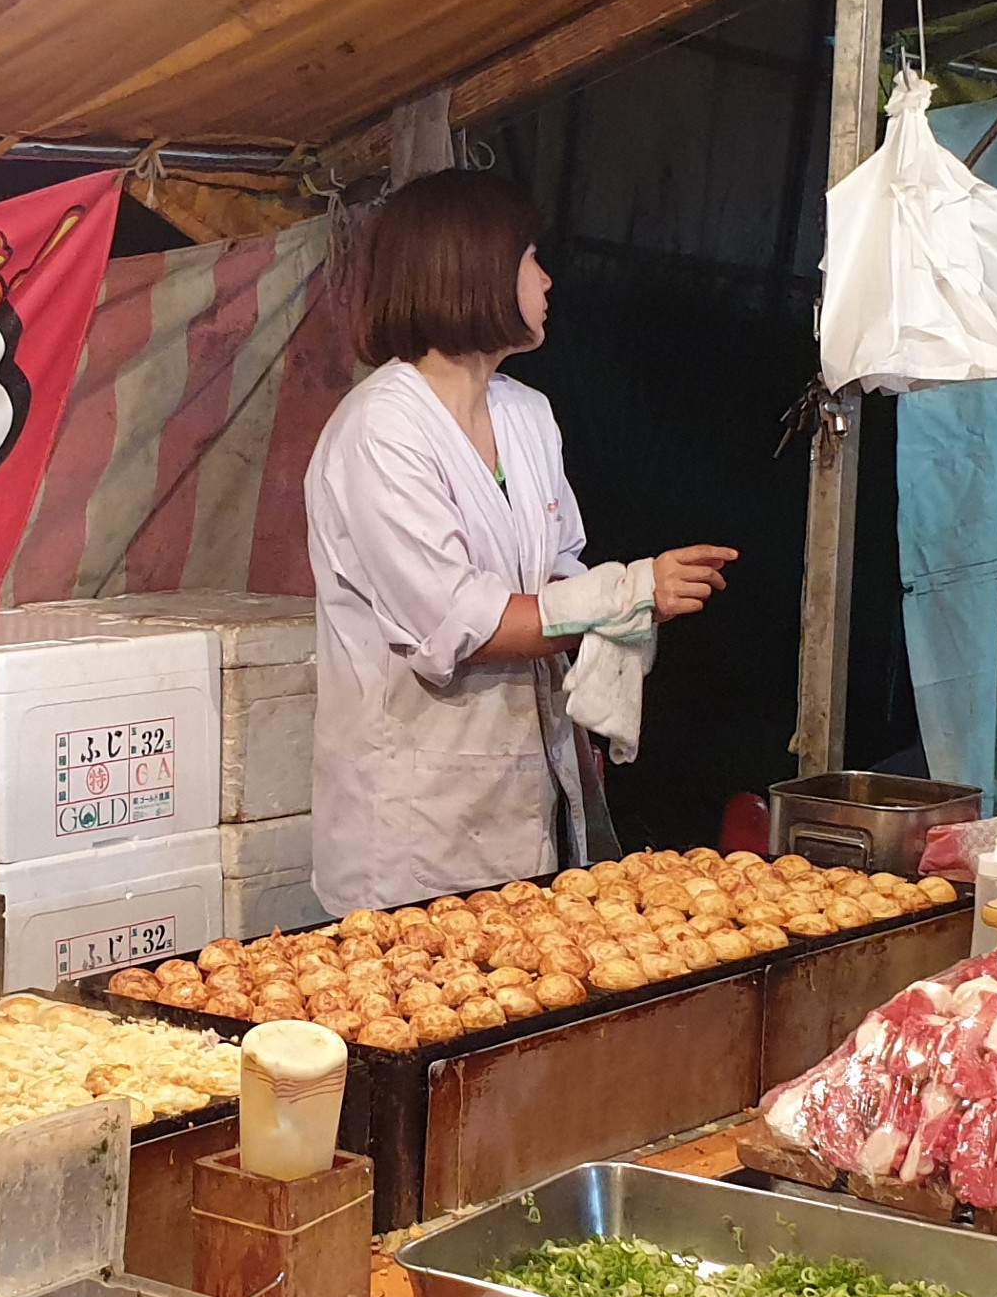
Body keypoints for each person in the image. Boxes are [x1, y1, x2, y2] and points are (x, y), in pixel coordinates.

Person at [304, 170, 736, 913]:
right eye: (529, 258)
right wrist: (628, 593)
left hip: (523, 798)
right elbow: (465, 625)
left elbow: (557, 571)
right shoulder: (382, 430)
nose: (546, 279)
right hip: (412, 823)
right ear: (471, 269)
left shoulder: (527, 413)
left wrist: (627, 605)